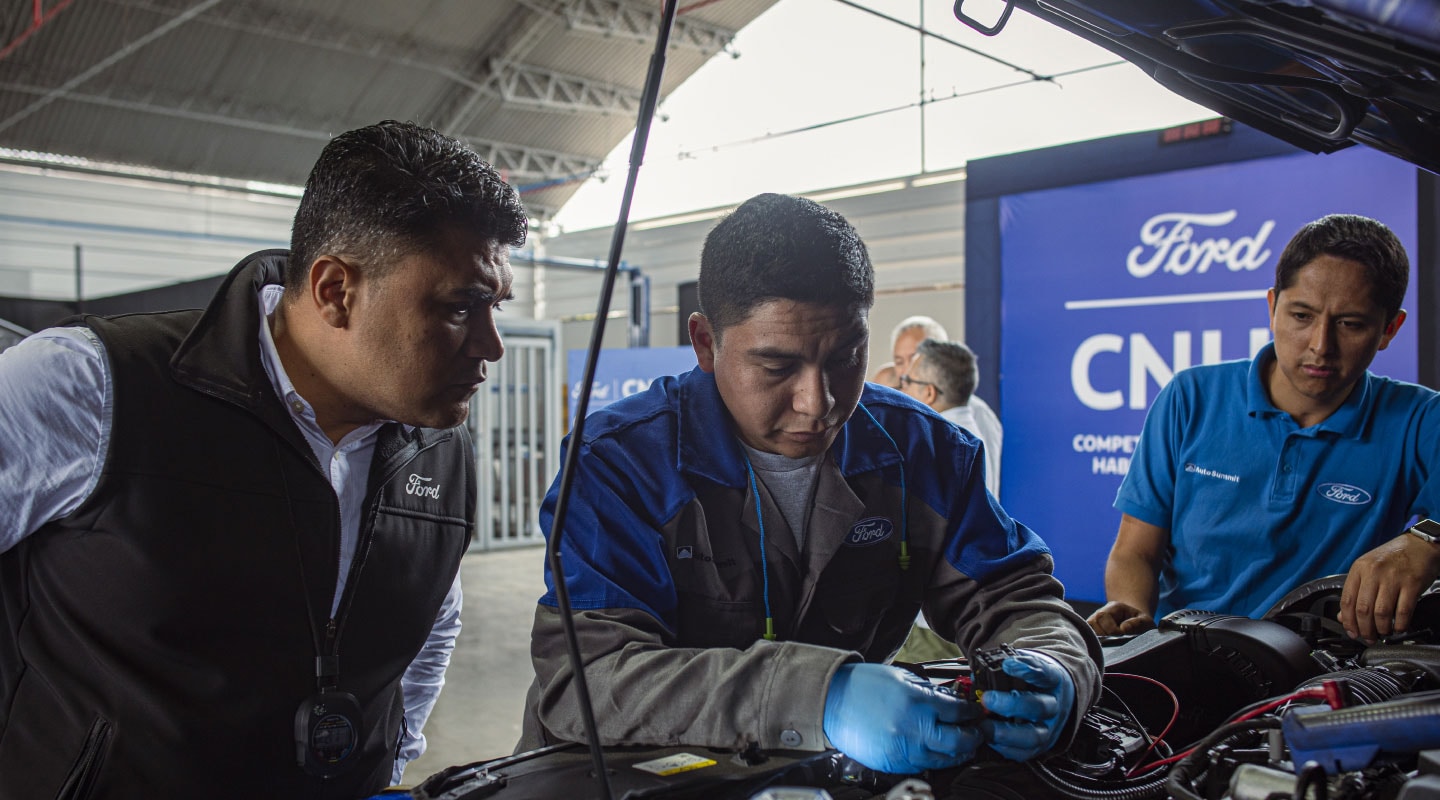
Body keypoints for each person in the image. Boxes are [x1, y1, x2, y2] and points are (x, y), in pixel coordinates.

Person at [0, 120, 528, 797]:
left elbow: (434, 617)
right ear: (337, 290)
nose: (491, 346)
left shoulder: (440, 448)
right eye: (461, 308)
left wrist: (388, 762)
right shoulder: (94, 386)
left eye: (497, 308)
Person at [520, 193, 1101, 775]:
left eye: (847, 357)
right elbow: (589, 679)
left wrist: (1054, 667)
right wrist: (821, 697)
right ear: (704, 343)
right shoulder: (619, 464)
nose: (817, 403)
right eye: (777, 367)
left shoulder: (923, 452)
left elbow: (1009, 594)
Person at [1086, 214, 1440, 644]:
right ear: (1272, 307)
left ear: (1389, 329)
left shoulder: (1421, 418)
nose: (1320, 345)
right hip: (1180, 659)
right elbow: (1135, 551)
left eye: (1350, 324)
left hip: (1323, 680)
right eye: (1302, 315)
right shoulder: (1190, 397)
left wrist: (1426, 542)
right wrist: (1132, 617)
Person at [892, 315, 1003, 488]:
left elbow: (988, 489)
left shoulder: (976, 415)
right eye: (899, 361)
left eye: (915, 358)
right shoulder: (928, 424)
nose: (905, 371)